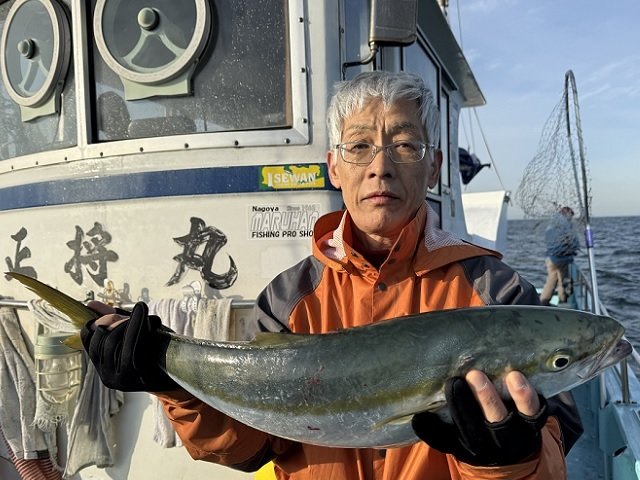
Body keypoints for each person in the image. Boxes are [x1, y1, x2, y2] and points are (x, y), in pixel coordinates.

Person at [81, 71, 582, 479]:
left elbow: (555, 444)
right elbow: (249, 446)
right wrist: (170, 383)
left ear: (433, 168)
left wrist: (510, 461)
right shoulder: (289, 297)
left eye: (405, 146)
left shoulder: (496, 292)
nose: (380, 167)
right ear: (334, 168)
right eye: (359, 147)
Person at [539, 206, 580, 305]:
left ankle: (543, 302)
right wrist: (574, 251)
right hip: (562, 259)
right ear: (568, 214)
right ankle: (563, 300)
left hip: (550, 259)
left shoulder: (551, 225)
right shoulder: (566, 226)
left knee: (551, 281)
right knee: (563, 280)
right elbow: (573, 242)